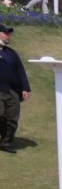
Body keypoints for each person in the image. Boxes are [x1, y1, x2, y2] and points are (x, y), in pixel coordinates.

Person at [0, 25, 29, 153]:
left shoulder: (11, 53)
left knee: (12, 118)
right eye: (6, 33)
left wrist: (25, 88)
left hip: (11, 91)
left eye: (9, 34)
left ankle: (5, 143)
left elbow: (20, 71)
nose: (8, 36)